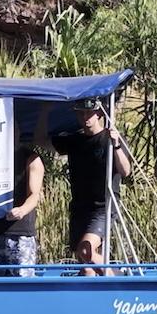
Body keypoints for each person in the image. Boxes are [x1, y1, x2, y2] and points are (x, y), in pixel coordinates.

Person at [37, 98, 131, 275]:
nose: (85, 117)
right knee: (86, 265)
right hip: (80, 208)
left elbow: (125, 171)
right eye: (80, 113)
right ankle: (95, 297)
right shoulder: (75, 140)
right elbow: (40, 140)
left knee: (86, 250)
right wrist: (45, 111)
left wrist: (116, 145)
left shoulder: (109, 139)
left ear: (99, 114)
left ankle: (118, 279)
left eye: (89, 113)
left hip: (104, 206)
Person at [0, 144, 44, 276]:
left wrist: (22, 210)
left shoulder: (31, 158)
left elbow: (35, 194)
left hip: (21, 235)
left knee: (23, 285)